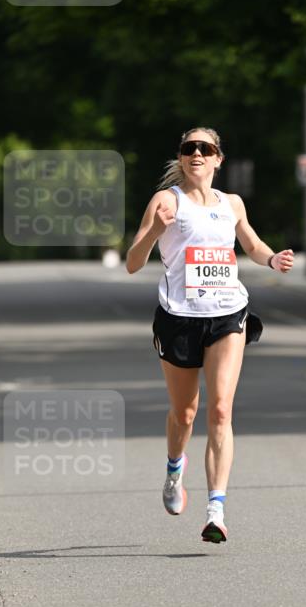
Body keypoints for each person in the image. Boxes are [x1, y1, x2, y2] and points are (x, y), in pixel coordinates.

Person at [125, 127, 293, 543]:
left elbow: (250, 244)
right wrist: (152, 231)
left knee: (220, 411)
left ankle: (216, 509)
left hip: (227, 313)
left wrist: (272, 258)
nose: (196, 153)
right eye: (189, 148)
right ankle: (173, 469)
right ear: (181, 157)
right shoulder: (166, 201)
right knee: (185, 413)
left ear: (219, 159)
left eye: (206, 148)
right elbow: (132, 262)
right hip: (179, 317)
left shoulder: (231, 203)